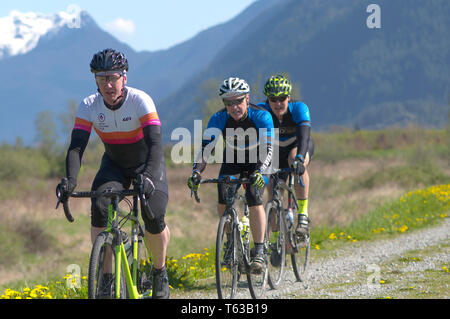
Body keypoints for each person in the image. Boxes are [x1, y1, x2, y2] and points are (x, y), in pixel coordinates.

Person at [57, 48, 170, 299]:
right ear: (95, 81)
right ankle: (106, 278)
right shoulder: (89, 106)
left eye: (113, 77)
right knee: (99, 205)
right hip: (115, 165)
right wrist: (70, 180)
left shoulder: (141, 101)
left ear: (124, 78)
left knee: (153, 217)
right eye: (101, 78)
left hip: (146, 163)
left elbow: (155, 144)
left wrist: (149, 176)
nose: (108, 84)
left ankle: (160, 272)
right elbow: (76, 147)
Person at [187, 77, 274, 274]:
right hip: (233, 159)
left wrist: (260, 171)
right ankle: (229, 242)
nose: (234, 107)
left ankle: (259, 250)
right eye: (229, 102)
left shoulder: (261, 116)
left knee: (253, 194)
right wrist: (196, 172)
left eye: (238, 101)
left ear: (247, 99)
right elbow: (205, 149)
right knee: (223, 192)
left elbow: (269, 149)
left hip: (260, 160)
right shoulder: (218, 118)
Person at [257, 74, 314, 239]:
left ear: (288, 97)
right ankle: (280, 244)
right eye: (273, 99)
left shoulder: (298, 108)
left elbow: (304, 136)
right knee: (274, 202)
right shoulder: (262, 111)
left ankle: (303, 215)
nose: (278, 103)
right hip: (276, 152)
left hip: (298, 146)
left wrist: (300, 159)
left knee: (294, 159)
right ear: (267, 100)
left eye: (282, 98)